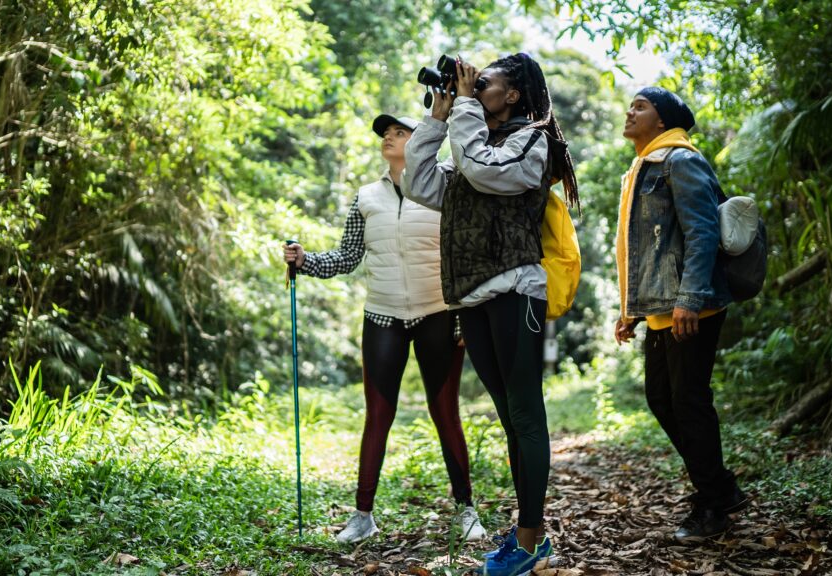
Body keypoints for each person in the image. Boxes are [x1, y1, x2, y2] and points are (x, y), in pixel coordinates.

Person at [402, 53, 579, 576]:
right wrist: (438, 117)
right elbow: (418, 181)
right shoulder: (473, 140)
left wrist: (462, 113)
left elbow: (483, 170)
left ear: (514, 96)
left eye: (485, 84)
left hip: (516, 291)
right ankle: (530, 538)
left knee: (524, 414)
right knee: (509, 418)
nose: (474, 91)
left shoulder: (532, 141)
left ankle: (529, 541)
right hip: (473, 298)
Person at [283, 113, 486, 545]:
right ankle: (362, 516)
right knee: (378, 415)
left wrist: (468, 312)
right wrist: (305, 260)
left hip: (439, 314)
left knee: (444, 411)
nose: (389, 139)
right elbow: (347, 257)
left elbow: (467, 252)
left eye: (399, 133)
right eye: (386, 135)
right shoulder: (366, 197)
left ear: (421, 142)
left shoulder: (446, 187)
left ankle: (466, 510)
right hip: (382, 316)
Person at [613, 87, 749, 541]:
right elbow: (644, 249)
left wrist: (691, 296)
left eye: (641, 106)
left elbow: (703, 231)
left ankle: (713, 504)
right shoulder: (644, 167)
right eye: (631, 105)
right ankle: (719, 489)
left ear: (663, 120)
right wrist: (631, 310)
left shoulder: (680, 161)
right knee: (662, 400)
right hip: (660, 309)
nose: (631, 112)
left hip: (692, 307)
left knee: (688, 402)